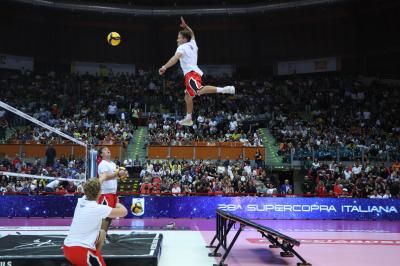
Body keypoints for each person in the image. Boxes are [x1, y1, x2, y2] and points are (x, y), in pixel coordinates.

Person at [159, 17, 235, 126]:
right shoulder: (193, 44)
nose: (177, 40)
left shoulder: (182, 47)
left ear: (184, 39)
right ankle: (189, 118)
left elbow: (174, 58)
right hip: (194, 72)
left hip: (191, 74)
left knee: (198, 90)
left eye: (178, 38)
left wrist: (164, 67)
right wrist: (186, 27)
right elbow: (192, 33)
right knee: (187, 97)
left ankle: (224, 89)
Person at [64, 179, 128, 266]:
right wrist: (115, 203)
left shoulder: (81, 201)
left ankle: (91, 257)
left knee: (102, 233)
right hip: (81, 251)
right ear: (99, 192)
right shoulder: (98, 209)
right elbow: (124, 212)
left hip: (67, 248)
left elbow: (93, 187)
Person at [97, 147, 127, 234]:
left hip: (113, 192)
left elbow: (114, 176)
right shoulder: (102, 164)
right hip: (105, 193)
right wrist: (117, 174)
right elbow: (105, 177)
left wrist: (122, 175)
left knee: (110, 216)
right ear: (101, 154)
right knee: (105, 216)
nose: (108, 150)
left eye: (108, 149)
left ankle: (104, 234)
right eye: (105, 150)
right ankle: (100, 236)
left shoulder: (113, 164)